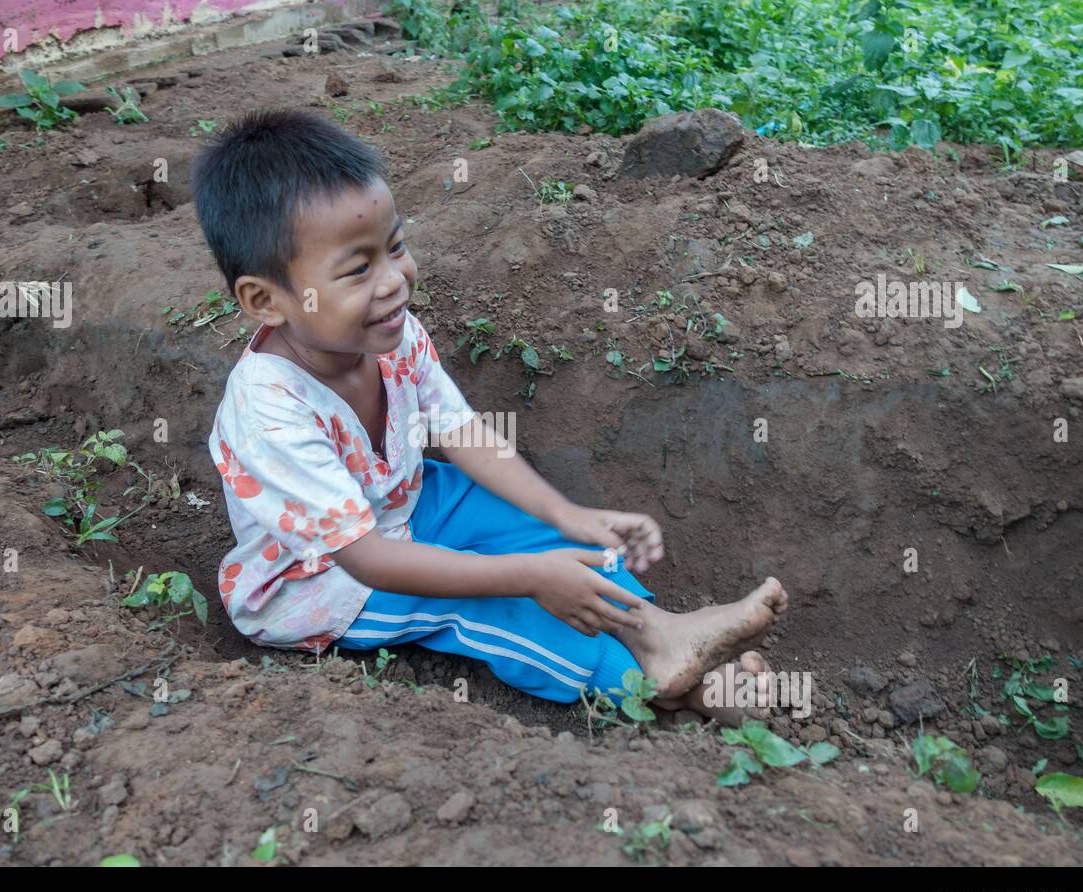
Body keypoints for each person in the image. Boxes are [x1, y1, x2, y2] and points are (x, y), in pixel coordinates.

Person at [192, 109, 787, 721]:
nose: (395, 280)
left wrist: (566, 514)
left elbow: (460, 431)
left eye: (394, 247)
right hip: (324, 579)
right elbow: (366, 558)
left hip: (405, 504)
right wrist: (526, 576)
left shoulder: (392, 336)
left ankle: (658, 631)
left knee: (532, 525)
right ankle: (673, 687)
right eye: (358, 269)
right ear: (264, 300)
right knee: (491, 599)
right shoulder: (270, 410)